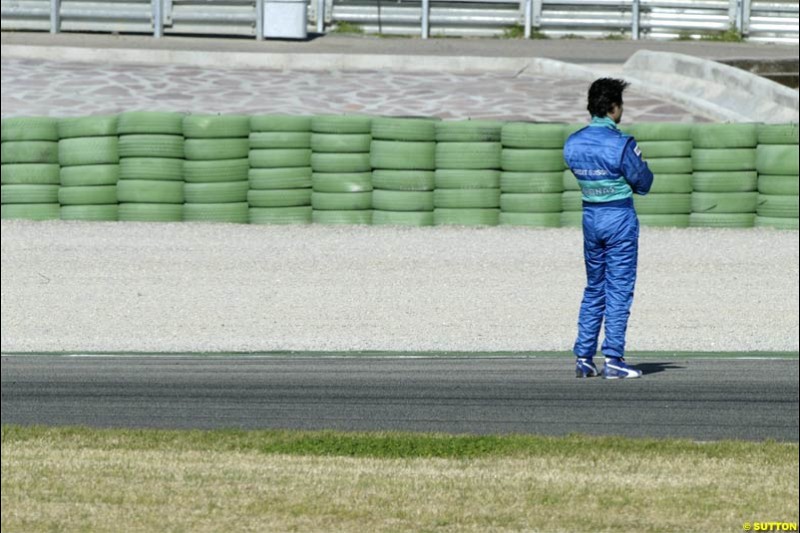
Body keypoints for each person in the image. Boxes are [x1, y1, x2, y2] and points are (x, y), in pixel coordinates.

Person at [563, 78, 653, 379]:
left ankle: (584, 357)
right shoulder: (622, 143)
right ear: (614, 108)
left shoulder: (572, 142)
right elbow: (644, 183)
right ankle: (614, 358)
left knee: (594, 287)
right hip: (618, 218)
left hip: (590, 216)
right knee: (619, 288)